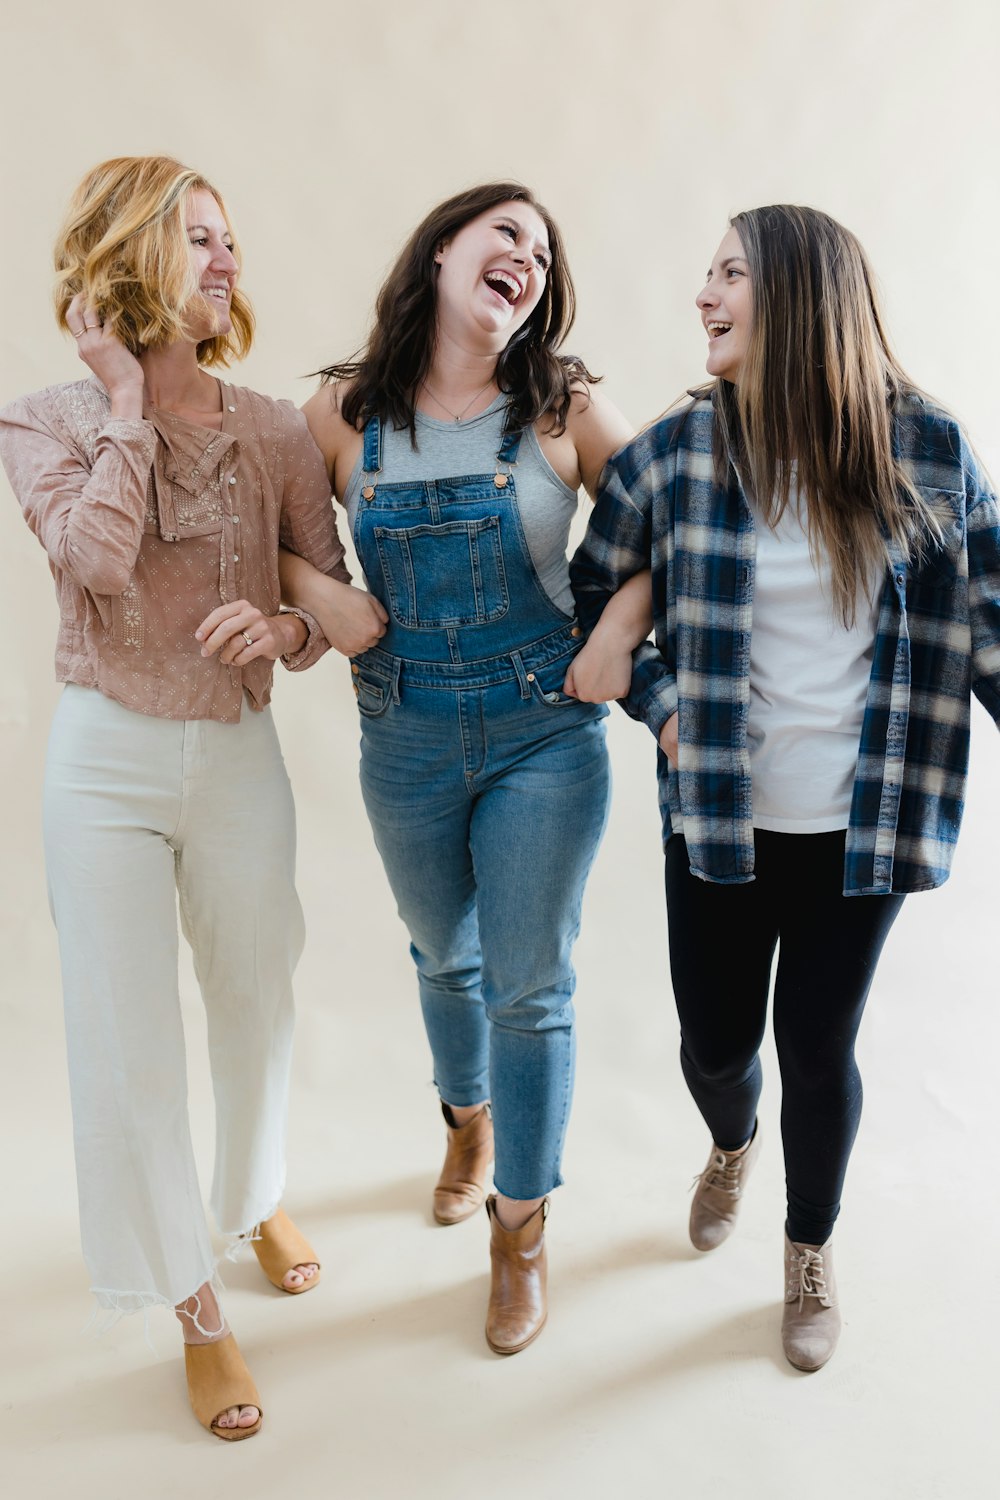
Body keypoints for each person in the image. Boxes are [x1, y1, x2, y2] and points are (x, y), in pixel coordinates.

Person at [570, 204, 1000, 1372]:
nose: (701, 295)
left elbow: (990, 620)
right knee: (714, 1045)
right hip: (717, 813)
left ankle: (808, 1248)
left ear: (802, 296)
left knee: (818, 1046)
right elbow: (594, 603)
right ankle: (728, 1138)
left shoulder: (928, 451)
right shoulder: (672, 456)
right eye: (703, 273)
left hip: (864, 827)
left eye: (728, 275)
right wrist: (660, 712)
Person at [0, 156, 385, 1439]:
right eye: (199, 239)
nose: (228, 261)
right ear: (127, 258)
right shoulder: (44, 419)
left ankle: (255, 1189)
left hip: (231, 754)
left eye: (232, 240)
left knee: (257, 987)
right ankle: (194, 1306)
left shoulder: (273, 427)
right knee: (127, 1039)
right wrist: (122, 394)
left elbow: (323, 608)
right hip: (100, 758)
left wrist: (277, 632)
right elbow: (94, 559)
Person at [281, 182, 647, 1354]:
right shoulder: (340, 415)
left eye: (541, 254)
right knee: (447, 954)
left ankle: (520, 1231)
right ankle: (466, 1119)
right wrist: (320, 592)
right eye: (507, 236)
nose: (526, 261)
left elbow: (671, 524)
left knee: (530, 987)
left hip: (545, 730)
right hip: (406, 729)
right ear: (443, 249)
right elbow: (264, 537)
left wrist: (613, 637)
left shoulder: (562, 405)